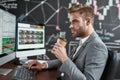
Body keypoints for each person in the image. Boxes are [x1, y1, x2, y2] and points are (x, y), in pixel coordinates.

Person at [27, 3, 108, 80]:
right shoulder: (83, 40)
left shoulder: (97, 46)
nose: (70, 26)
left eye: (75, 21)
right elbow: (69, 61)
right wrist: (44, 65)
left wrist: (64, 58)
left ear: (88, 21)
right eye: (70, 22)